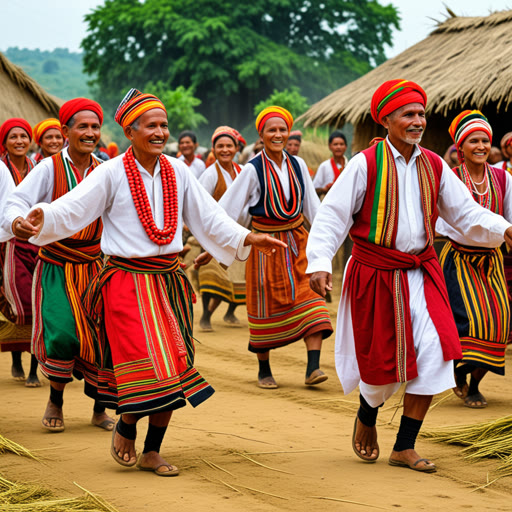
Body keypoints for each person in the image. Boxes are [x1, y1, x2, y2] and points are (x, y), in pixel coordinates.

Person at [17, 88, 285, 476]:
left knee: (176, 365)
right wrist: (38, 218)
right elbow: (73, 208)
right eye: (151, 125)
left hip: (169, 282)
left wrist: (247, 237)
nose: (160, 132)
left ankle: (151, 450)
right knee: (148, 364)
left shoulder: (177, 170)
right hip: (124, 282)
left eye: (164, 125)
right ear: (130, 130)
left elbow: (208, 216)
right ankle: (127, 424)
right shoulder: (109, 172)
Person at [306, 79, 512, 473]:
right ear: (385, 119)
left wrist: (503, 228)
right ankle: (368, 414)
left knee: (436, 355)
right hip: (376, 273)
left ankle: (404, 446)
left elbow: (465, 213)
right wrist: (318, 261)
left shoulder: (434, 164)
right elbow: (332, 215)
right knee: (382, 365)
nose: (418, 121)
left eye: (421, 114)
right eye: (409, 114)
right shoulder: (364, 164)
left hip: (422, 271)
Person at [4, 98, 114, 433]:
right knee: (63, 335)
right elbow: (15, 201)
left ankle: (99, 409)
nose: (91, 133)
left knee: (103, 336)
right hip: (57, 265)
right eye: (83, 127)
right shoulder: (48, 168)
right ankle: (56, 400)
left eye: (95, 127)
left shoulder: (107, 169)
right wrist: (17, 221)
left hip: (96, 267)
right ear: (66, 131)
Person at [219, 106, 333, 389]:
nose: (278, 135)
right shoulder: (251, 169)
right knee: (263, 307)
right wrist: (216, 244)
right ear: (261, 135)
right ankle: (264, 370)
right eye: (272, 130)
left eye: (283, 130)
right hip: (265, 247)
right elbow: (228, 210)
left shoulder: (298, 166)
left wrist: (326, 244)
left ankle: (313, 368)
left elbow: (313, 209)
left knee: (314, 299)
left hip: (298, 243)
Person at [437, 111, 512, 409]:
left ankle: (475, 384)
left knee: (499, 322)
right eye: (473, 141)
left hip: (492, 262)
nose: (480, 146)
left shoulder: (503, 178)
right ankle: (458, 372)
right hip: (458, 259)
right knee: (468, 322)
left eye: (484, 140)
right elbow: (443, 222)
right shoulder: (450, 178)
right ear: (460, 147)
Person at [0, 118, 40, 385]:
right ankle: (16, 359)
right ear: (4, 142)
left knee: (39, 300)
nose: (19, 141)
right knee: (20, 302)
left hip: (37, 241)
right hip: (7, 240)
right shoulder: (1, 168)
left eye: (24, 136)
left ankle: (35, 369)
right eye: (13, 137)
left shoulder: (38, 168)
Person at [198, 126, 245, 330]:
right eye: (220, 146)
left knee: (237, 277)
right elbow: (199, 203)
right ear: (213, 149)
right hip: (214, 235)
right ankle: (206, 317)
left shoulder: (242, 172)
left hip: (239, 233)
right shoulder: (209, 174)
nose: (225, 150)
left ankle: (230, 312)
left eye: (229, 146)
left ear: (236, 148)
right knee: (212, 278)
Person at [313, 130, 349, 196]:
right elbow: (314, 190)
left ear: (346, 147)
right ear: (330, 146)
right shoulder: (324, 166)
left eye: (341, 144)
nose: (338, 147)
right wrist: (324, 190)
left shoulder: (349, 165)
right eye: (335, 144)